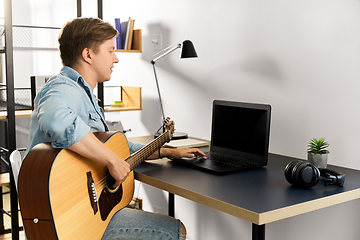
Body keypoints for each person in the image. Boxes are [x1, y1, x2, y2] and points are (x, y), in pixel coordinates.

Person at [26, 17, 206, 240]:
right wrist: (112, 161)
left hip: (83, 209)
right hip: (70, 217)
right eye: (111, 50)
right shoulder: (63, 87)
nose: (116, 58)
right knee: (176, 231)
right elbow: (55, 119)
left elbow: (118, 147)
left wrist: (166, 151)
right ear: (88, 54)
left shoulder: (86, 94)